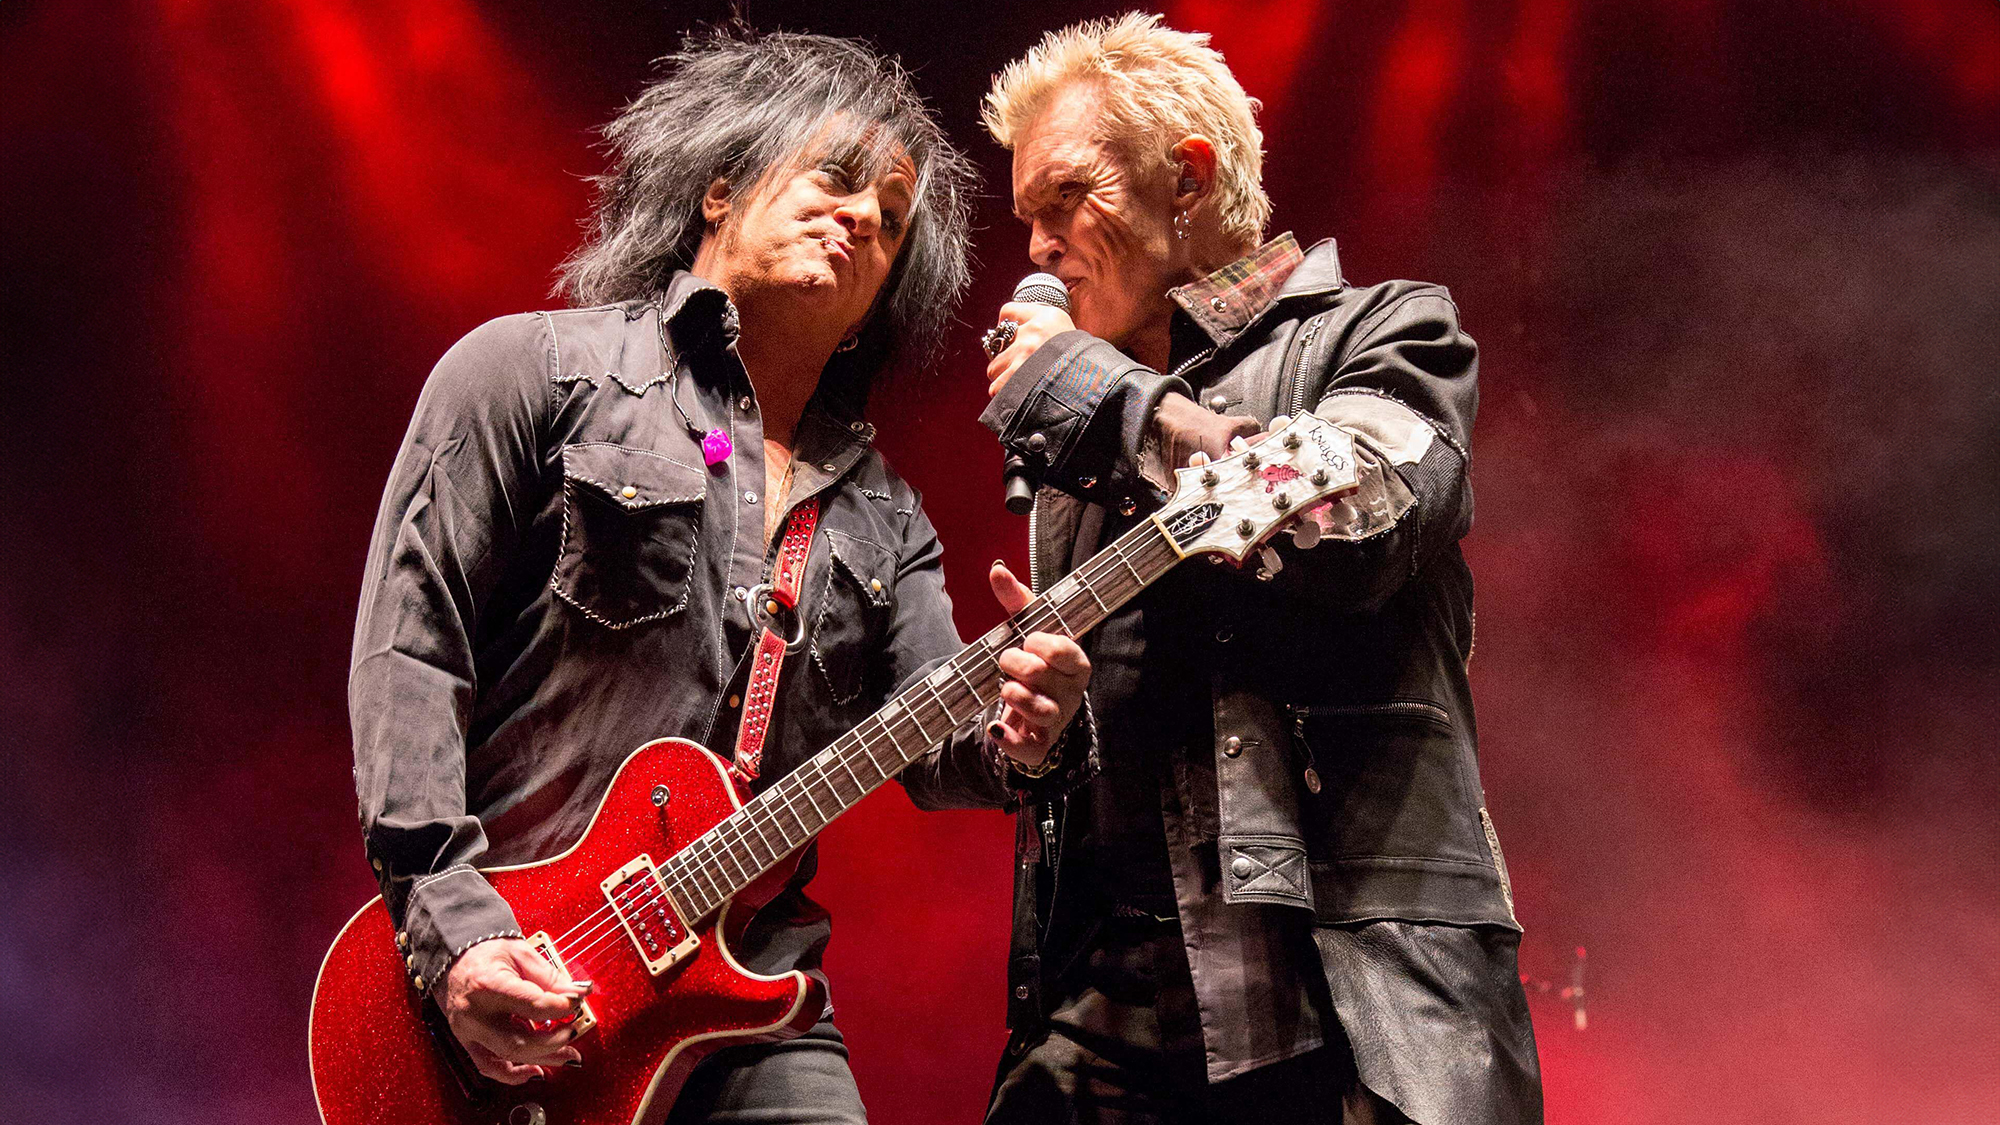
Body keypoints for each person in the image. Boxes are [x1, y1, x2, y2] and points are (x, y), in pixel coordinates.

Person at [347, 29, 1089, 1123]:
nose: (859, 223)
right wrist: (459, 931)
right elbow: (410, 654)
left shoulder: (886, 515)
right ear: (718, 188)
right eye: (833, 181)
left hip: (750, 989)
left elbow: (945, 755)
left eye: (889, 226)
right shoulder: (527, 374)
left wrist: (1032, 730)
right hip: (515, 974)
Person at [971, 14, 1543, 1124]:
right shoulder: (1075, 465)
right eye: (1023, 218)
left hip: (1344, 1008)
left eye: (1063, 199)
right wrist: (1036, 738)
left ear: (1185, 178)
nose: (1036, 249)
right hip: (1106, 1022)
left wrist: (1095, 399)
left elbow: (1352, 514)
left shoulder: (1386, 330)